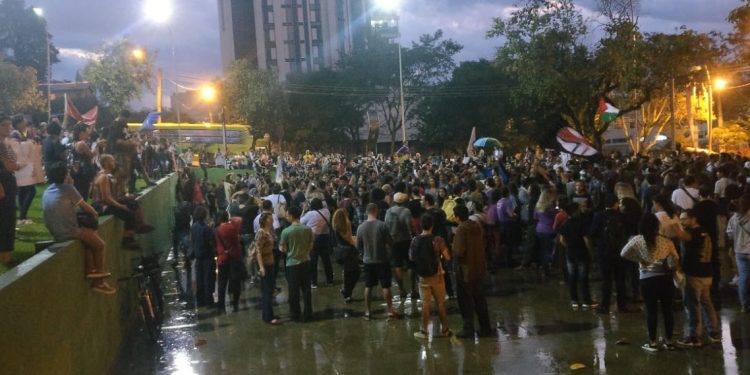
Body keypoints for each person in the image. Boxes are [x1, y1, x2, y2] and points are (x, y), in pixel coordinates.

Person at [41, 162, 115, 294]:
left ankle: (91, 269)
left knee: (88, 239)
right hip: (69, 232)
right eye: (68, 173)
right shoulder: (68, 188)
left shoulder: (47, 190)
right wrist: (95, 216)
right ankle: (99, 281)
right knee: (100, 245)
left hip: (56, 233)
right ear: (65, 175)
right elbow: (87, 208)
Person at [621, 213, 680, 352]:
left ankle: (652, 342)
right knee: (667, 311)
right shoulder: (665, 241)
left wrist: (640, 260)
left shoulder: (637, 240)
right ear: (656, 226)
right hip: (665, 278)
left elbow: (623, 253)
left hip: (647, 279)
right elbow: (675, 257)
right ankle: (669, 341)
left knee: (651, 310)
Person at [676, 209, 721, 348]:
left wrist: (673, 225)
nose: (682, 221)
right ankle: (713, 332)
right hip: (707, 274)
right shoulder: (704, 231)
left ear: (693, 219)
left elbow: (686, 238)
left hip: (694, 275)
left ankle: (694, 337)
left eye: (684, 219)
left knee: (693, 305)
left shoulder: (694, 233)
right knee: (707, 303)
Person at [90, 154, 152, 250]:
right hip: (101, 206)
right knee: (129, 214)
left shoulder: (106, 175)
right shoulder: (103, 177)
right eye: (112, 161)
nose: (114, 163)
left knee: (134, 205)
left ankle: (140, 226)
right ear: (106, 163)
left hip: (106, 203)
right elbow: (106, 198)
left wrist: (125, 198)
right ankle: (127, 239)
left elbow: (110, 196)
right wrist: (120, 206)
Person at [452, 205, 494, 338]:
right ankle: (485, 327)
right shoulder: (476, 226)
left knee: (465, 301)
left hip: (466, 271)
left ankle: (468, 329)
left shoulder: (461, 229)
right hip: (479, 267)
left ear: (458, 217)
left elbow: (459, 251)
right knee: (480, 299)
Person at [410, 213, 452, 339]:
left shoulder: (415, 240)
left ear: (421, 225)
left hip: (423, 277)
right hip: (437, 275)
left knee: (425, 303)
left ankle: (424, 331)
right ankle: (445, 329)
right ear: (432, 225)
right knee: (440, 303)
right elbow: (447, 257)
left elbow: (411, 257)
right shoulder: (438, 240)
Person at [589, 194, 629, 314]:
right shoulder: (622, 216)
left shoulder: (599, 216)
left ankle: (605, 306)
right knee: (620, 279)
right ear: (615, 204)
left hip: (604, 251)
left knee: (606, 280)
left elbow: (592, 232)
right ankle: (622, 305)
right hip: (620, 252)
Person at [357, 203, 396, 321]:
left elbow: (358, 246)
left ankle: (368, 311)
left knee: (368, 286)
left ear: (367, 212)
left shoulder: (361, 227)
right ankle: (390, 310)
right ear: (376, 211)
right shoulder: (382, 225)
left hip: (368, 261)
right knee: (386, 285)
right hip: (382, 259)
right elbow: (390, 242)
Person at [558, 202, 596, 309]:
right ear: (575, 211)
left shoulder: (565, 224)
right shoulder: (582, 223)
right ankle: (586, 301)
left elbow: (561, 240)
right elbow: (586, 240)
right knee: (583, 278)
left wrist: (569, 246)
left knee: (572, 277)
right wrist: (591, 252)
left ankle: (574, 300)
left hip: (570, 254)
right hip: (582, 253)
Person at [280, 205, 314, 322]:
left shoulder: (286, 231)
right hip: (306, 261)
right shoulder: (307, 229)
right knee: (306, 289)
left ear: (291, 216)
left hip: (292, 263)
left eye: (287, 215)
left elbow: (283, 249)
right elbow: (311, 246)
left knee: (293, 291)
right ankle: (308, 313)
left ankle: (295, 314)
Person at [385, 192, 415, 300]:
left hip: (394, 241)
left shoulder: (389, 211)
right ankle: (413, 289)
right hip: (406, 240)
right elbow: (409, 226)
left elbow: (386, 226)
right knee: (410, 264)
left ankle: (402, 289)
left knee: (397, 265)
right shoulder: (406, 211)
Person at [0, 114, 21, 266]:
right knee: (6, 219)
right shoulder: (1, 145)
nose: (9, 127)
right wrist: (17, 165)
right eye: (4, 125)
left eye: (9, 124)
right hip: (4, 182)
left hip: (6, 181)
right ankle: (5, 256)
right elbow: (10, 165)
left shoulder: (4, 143)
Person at [8, 115, 37, 225]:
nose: (26, 122)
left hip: (22, 166)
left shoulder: (20, 133)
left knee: (23, 190)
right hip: (20, 166)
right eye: (24, 120)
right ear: (19, 123)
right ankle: (22, 216)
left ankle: (23, 216)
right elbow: (17, 148)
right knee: (31, 190)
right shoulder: (15, 134)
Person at [214, 211, 244, 313]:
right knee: (235, 282)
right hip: (235, 258)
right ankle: (235, 303)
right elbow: (239, 219)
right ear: (227, 217)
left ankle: (221, 305)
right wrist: (231, 219)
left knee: (222, 283)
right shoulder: (233, 228)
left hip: (223, 258)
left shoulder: (217, 230)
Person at [301, 198, 334, 288]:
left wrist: (304, 209)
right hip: (325, 237)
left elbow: (300, 222)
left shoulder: (310, 214)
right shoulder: (327, 212)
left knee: (313, 261)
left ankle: (314, 282)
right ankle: (330, 280)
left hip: (313, 238)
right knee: (326, 260)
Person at [256, 213, 282, 325]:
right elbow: (258, 251)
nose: (272, 220)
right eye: (270, 218)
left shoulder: (268, 232)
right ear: (265, 220)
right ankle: (268, 317)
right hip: (265, 265)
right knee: (267, 290)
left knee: (270, 289)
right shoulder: (261, 233)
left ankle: (268, 314)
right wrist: (261, 267)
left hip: (270, 263)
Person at [727, 194, 750, 313]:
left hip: (739, 251)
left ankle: (744, 304)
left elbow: (729, 235)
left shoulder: (733, 218)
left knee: (743, 278)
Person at [332, 208, 359, 303]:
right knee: (355, 272)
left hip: (341, 252)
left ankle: (346, 292)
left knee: (347, 272)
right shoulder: (346, 224)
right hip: (349, 252)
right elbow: (348, 238)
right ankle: (347, 292)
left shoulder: (335, 226)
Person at [191, 205, 215, 308]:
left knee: (199, 279)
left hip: (198, 256)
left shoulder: (194, 227)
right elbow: (211, 242)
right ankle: (209, 301)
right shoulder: (207, 228)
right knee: (208, 279)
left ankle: (200, 301)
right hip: (207, 257)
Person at [70, 123, 97, 202]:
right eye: (87, 133)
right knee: (83, 192)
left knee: (77, 191)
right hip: (83, 171)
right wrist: (97, 146)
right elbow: (91, 155)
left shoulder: (73, 142)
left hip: (76, 170)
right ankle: (82, 210)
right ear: (81, 133)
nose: (88, 135)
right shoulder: (81, 143)